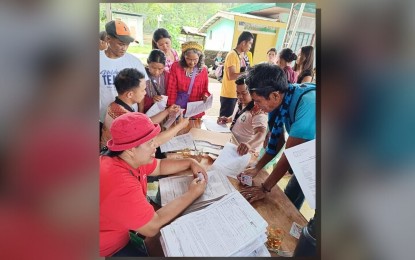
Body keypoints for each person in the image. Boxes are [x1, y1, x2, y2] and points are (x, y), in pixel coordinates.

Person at [100, 112, 207, 257]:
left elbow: (159, 166)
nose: (155, 145)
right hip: (107, 248)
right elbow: (152, 226)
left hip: (118, 229)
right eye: (150, 142)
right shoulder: (119, 182)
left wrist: (190, 162)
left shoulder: (128, 158)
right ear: (131, 149)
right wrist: (192, 193)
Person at [237, 63, 315, 210]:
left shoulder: (308, 104)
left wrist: (264, 188)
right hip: (309, 150)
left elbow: (290, 156)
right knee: (291, 195)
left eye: (258, 101)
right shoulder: (281, 100)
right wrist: (257, 167)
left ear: (274, 95)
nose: (257, 105)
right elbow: (276, 142)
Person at [100, 68, 186, 151]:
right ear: (130, 94)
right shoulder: (126, 118)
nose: (145, 93)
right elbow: (154, 142)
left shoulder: (114, 105)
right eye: (143, 90)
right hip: (118, 160)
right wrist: (179, 126)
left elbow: (145, 122)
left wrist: (167, 111)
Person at [100, 20, 148, 129]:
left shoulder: (134, 62)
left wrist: (140, 114)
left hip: (129, 118)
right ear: (108, 39)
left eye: (127, 44)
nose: (124, 48)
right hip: (103, 118)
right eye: (121, 44)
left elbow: (141, 90)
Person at [217, 75, 268, 157]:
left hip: (244, 153)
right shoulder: (241, 102)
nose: (240, 96)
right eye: (238, 93)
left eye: (244, 93)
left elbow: (261, 134)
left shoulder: (258, 111)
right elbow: (238, 117)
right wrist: (227, 119)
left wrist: (249, 145)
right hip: (232, 146)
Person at [167, 41, 210, 118]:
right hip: (179, 108)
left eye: (195, 59)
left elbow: (205, 90)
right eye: (189, 59)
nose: (192, 63)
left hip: (195, 110)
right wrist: (171, 107)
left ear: (199, 58)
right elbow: (171, 90)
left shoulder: (203, 70)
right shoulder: (176, 67)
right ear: (184, 57)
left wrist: (206, 96)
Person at [219, 31, 254, 118]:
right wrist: (249, 73)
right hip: (229, 94)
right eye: (250, 43)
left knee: (230, 120)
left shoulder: (239, 56)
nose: (250, 47)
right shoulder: (232, 55)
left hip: (234, 94)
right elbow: (232, 76)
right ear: (243, 43)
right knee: (223, 121)